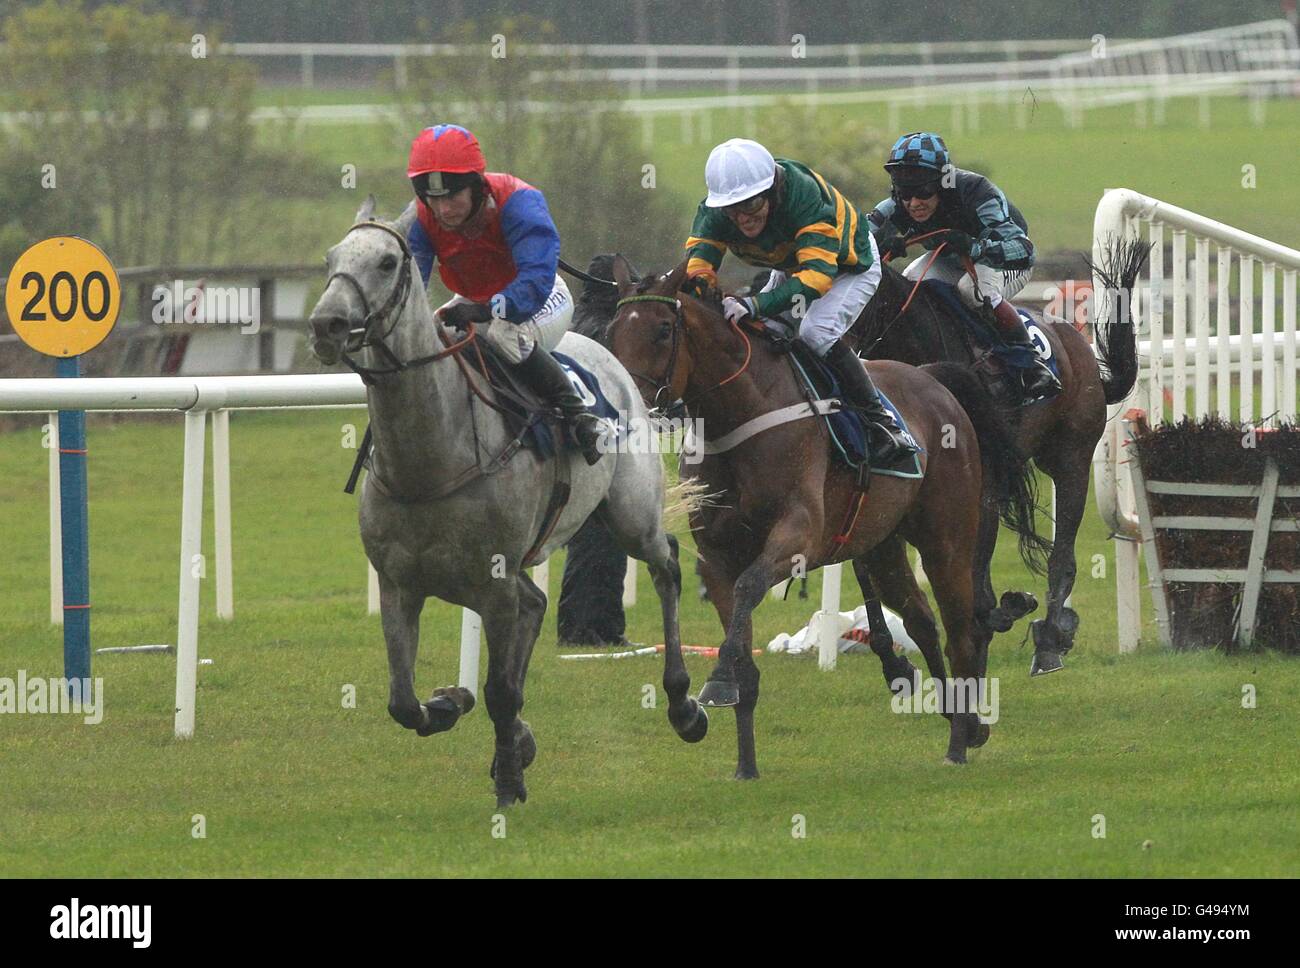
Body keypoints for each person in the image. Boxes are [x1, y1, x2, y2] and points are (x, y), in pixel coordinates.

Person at [681, 138, 917, 468]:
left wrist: (755, 304)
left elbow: (818, 278)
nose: (743, 218)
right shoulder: (718, 210)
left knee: (815, 333)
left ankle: (882, 423)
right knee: (767, 333)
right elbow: (698, 263)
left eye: (751, 206)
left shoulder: (803, 196)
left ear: (772, 190)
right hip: (793, 266)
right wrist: (694, 291)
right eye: (732, 210)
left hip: (849, 266)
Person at [405, 123, 606, 463]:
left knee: (502, 335)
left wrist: (487, 310)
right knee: (432, 335)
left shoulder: (519, 202)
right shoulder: (422, 219)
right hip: (475, 299)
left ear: (476, 186)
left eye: (452, 196)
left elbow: (535, 279)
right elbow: (412, 285)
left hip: (539, 299)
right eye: (433, 198)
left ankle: (580, 417)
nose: (443, 210)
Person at [867, 131, 1060, 399]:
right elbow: (856, 239)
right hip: (951, 259)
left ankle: (1029, 363)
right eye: (905, 192)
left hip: (1004, 261)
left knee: (972, 290)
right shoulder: (894, 205)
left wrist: (976, 247)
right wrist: (881, 243)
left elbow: (1023, 250)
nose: (913, 203)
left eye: (922, 191)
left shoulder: (977, 192)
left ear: (942, 181)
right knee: (910, 282)